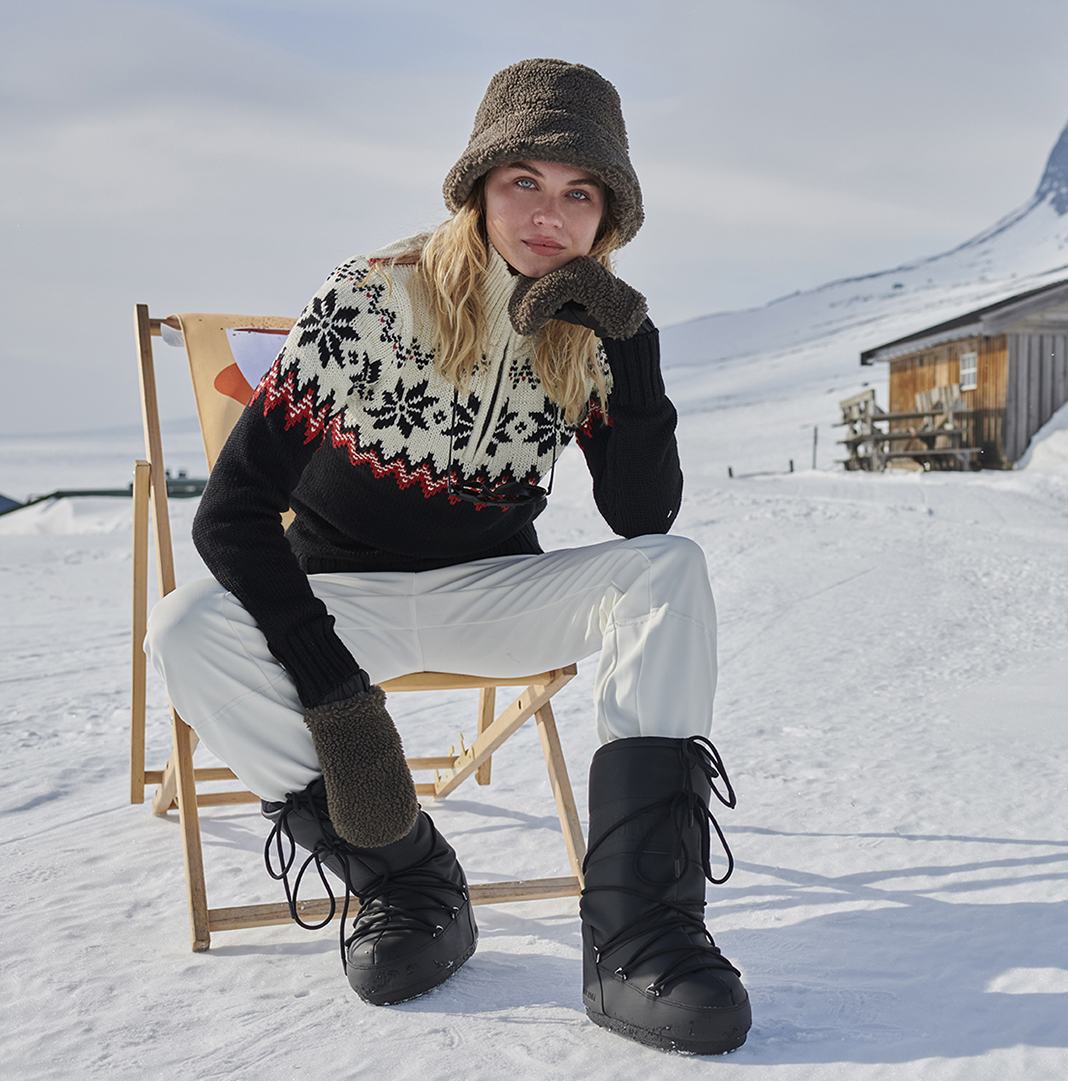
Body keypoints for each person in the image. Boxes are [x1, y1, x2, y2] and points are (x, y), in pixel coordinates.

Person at [145, 59, 751, 1055]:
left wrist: (633, 358)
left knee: (669, 570)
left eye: (579, 194)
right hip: (341, 597)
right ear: (478, 189)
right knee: (184, 626)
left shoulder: (587, 333)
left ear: (608, 221)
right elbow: (233, 514)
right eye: (525, 183)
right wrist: (333, 691)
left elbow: (642, 514)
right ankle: (407, 881)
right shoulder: (369, 303)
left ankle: (642, 934)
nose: (548, 217)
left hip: (486, 590)